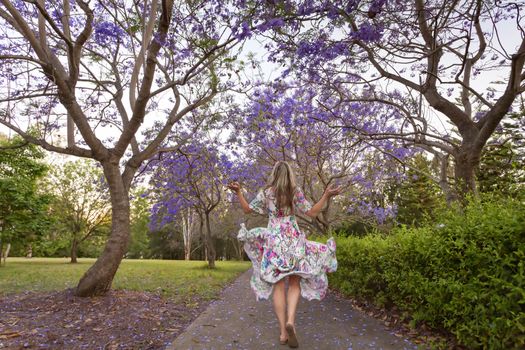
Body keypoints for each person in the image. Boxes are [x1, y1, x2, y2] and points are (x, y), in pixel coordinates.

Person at [227, 161, 341, 348]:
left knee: (278, 285)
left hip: (274, 241)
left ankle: (282, 332)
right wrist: (326, 195)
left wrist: (239, 192)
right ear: (289, 174)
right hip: (293, 239)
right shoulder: (294, 192)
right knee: (294, 283)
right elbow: (312, 212)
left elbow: (247, 210)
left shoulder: (267, 193)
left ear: (274, 174)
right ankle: (291, 322)